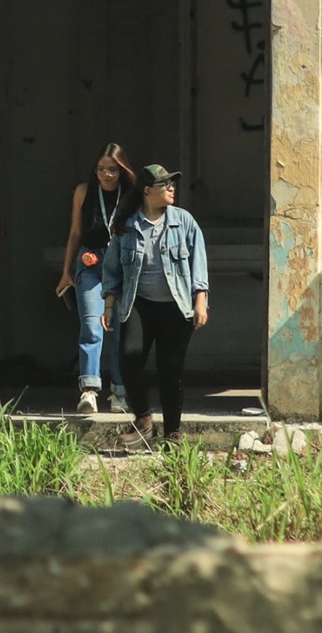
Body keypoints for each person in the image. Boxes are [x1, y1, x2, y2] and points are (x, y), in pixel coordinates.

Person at [103, 162, 211, 443]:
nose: (172, 188)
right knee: (129, 356)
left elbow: (199, 263)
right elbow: (112, 268)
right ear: (148, 191)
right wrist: (109, 305)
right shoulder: (127, 225)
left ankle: (173, 433)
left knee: (170, 368)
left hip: (176, 306)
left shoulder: (183, 221)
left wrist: (201, 301)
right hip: (139, 304)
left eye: (172, 184)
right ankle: (143, 418)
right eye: (166, 185)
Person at [55, 143, 139, 415]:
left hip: (122, 266)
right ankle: (89, 391)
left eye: (113, 170)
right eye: (101, 169)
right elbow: (75, 232)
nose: (106, 175)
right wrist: (67, 271)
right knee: (92, 325)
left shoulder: (132, 194)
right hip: (91, 262)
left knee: (117, 329)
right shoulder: (84, 191)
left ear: (122, 169)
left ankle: (119, 392)